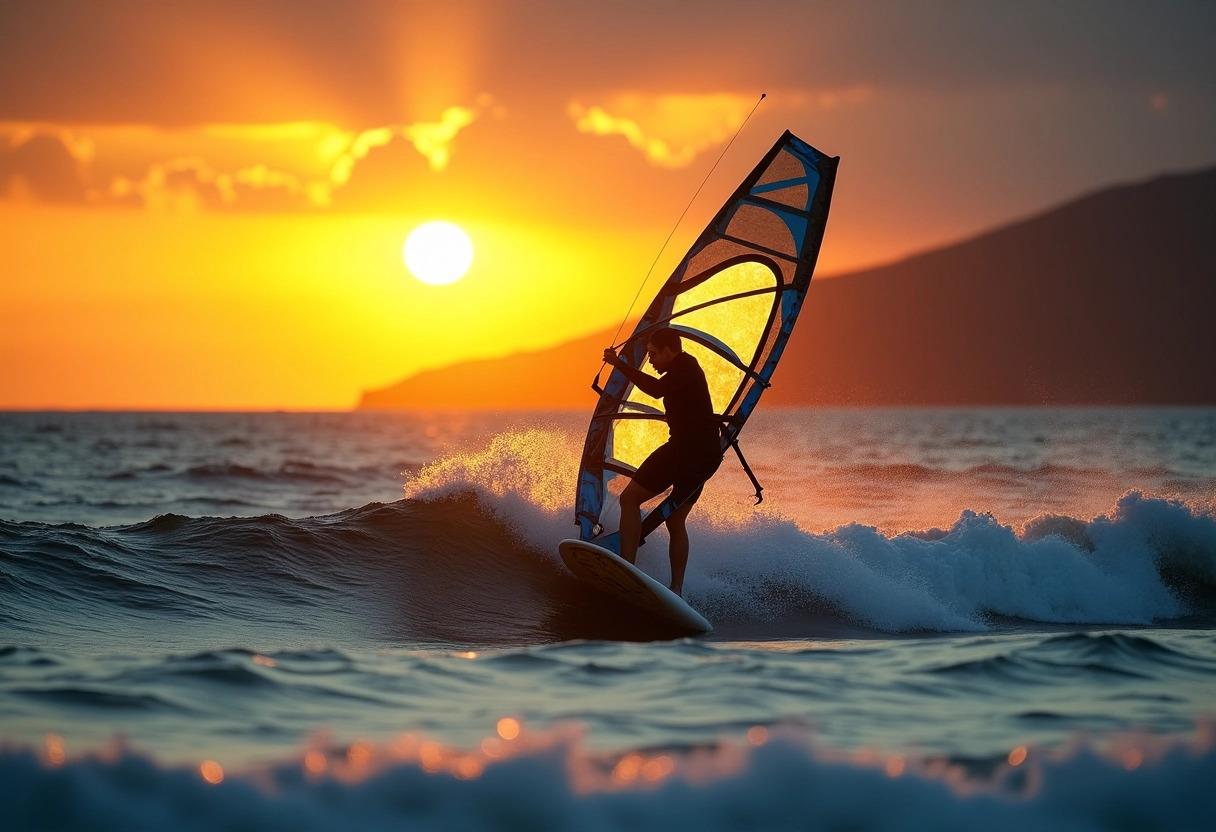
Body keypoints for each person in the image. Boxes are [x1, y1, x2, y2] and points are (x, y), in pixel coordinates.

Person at [602, 327, 722, 597]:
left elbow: (655, 391)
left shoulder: (685, 365)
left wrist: (619, 363)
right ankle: (676, 588)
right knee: (676, 521)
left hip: (685, 451)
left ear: (671, 350)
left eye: (654, 354)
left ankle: (626, 569)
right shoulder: (684, 370)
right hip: (706, 457)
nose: (651, 360)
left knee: (629, 500)